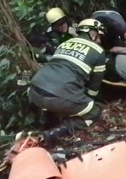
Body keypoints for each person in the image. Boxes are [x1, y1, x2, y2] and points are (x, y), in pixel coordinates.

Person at [28, 19, 107, 148]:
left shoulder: (64, 44)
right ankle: (55, 132)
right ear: (92, 33)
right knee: (94, 112)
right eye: (99, 36)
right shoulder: (98, 51)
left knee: (53, 92)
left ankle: (44, 122)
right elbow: (93, 89)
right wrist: (87, 101)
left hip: (34, 90)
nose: (100, 41)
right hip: (57, 96)